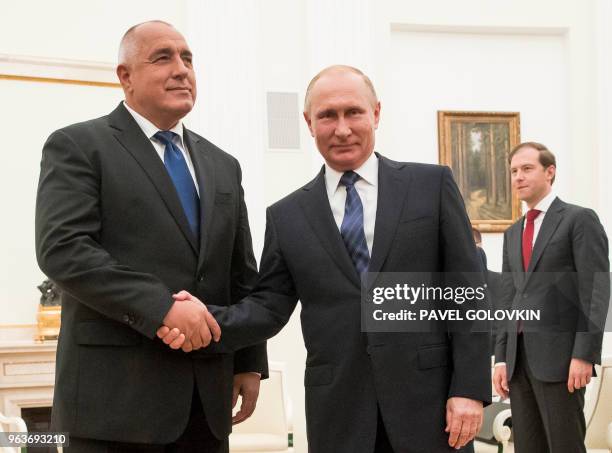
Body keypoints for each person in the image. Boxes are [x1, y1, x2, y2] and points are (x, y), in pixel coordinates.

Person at [160, 65, 491, 452]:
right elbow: (268, 306)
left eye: (354, 112)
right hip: (340, 412)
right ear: (308, 122)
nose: (342, 128)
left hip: (430, 407)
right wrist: (203, 319)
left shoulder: (431, 186)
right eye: (327, 116)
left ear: (377, 113)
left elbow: (468, 292)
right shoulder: (287, 215)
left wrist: (469, 388)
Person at [35, 20, 267, 452]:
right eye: (162, 57)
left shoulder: (223, 165)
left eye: (188, 58)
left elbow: (241, 272)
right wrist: (161, 308)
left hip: (206, 407)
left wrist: (250, 361)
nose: (181, 69)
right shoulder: (79, 146)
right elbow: (64, 250)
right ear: (125, 77)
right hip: (113, 410)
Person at [492, 142, 610, 453]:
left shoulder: (578, 219)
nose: (518, 176)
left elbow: (595, 290)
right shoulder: (512, 233)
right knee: (528, 447)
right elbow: (509, 298)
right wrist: (501, 357)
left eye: (527, 169)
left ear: (550, 172)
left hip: (561, 360)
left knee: (564, 446)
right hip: (519, 362)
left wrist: (584, 353)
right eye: (514, 171)